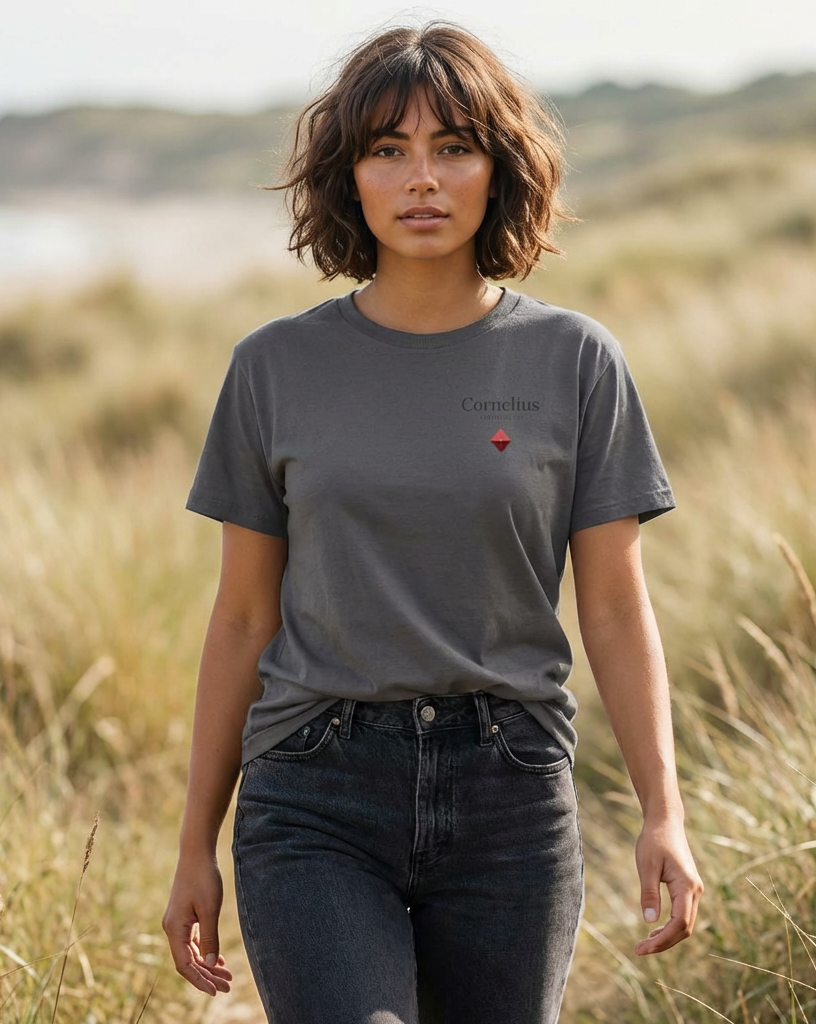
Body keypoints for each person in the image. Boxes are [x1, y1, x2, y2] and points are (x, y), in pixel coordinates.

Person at [162, 21, 702, 1024]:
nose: (422, 179)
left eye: (453, 147)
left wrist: (662, 814)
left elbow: (618, 611)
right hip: (315, 792)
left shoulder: (576, 363)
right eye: (387, 150)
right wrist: (196, 842)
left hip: (510, 793)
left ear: (498, 170)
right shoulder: (272, 368)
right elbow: (241, 617)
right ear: (348, 176)